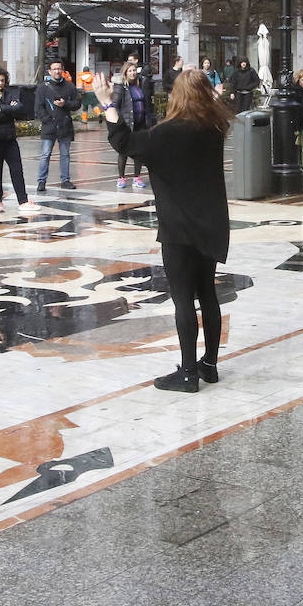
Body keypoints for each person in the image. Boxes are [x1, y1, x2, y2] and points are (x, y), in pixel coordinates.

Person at [95, 68, 231, 393]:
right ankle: (209, 365)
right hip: (211, 224)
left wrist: (107, 104)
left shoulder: (167, 133)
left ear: (176, 96)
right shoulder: (214, 128)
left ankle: (187, 374)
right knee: (208, 294)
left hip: (179, 228)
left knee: (183, 299)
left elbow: (124, 142)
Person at [0, 66, 40, 215]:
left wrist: (3, 109)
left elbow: (20, 109)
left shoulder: (8, 93)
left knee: (17, 170)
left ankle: (23, 200)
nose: (0, 83)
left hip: (10, 139)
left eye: (2, 80)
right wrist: (8, 110)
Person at [35, 60, 81, 192]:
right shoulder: (43, 87)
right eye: (54, 69)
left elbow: (77, 104)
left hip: (65, 125)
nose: (57, 71)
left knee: (65, 154)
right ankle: (41, 181)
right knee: (45, 154)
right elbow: (38, 107)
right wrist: (47, 120)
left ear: (63, 70)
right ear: (49, 71)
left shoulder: (70, 86)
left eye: (59, 69)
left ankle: (65, 180)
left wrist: (65, 104)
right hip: (49, 127)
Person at [108, 64, 153, 188]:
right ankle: (121, 178)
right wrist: (119, 122)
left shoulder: (140, 85)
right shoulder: (121, 87)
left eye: (134, 70)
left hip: (140, 123)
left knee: (139, 151)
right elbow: (115, 105)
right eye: (130, 71)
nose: (132, 73)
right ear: (125, 73)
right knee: (123, 151)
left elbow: (147, 104)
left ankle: (137, 177)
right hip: (127, 124)